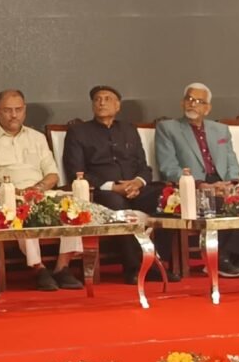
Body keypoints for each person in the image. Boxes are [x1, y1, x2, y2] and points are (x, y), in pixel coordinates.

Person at [63, 85, 180, 284]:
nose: (101, 103)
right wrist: (112, 187)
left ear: (118, 106)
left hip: (135, 189)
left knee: (167, 198)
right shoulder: (78, 132)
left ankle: (157, 261)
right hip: (102, 192)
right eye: (97, 99)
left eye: (107, 99)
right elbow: (76, 172)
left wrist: (137, 183)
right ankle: (133, 268)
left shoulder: (128, 129)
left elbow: (144, 167)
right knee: (118, 206)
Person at [0, 89, 83, 291]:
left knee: (72, 208)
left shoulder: (37, 137)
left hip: (40, 191)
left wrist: (36, 189)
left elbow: (52, 175)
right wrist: (14, 191)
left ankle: (62, 267)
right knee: (21, 209)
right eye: (8, 110)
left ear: (25, 110)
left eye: (18, 110)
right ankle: (38, 268)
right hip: (7, 195)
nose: (13, 115)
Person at [155, 82, 239, 278]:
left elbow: (232, 163)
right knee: (217, 202)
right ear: (182, 103)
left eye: (199, 101)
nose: (193, 104)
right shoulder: (167, 128)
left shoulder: (221, 130)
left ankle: (227, 255)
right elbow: (168, 168)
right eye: (189, 99)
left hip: (222, 182)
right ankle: (236, 257)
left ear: (208, 108)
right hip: (193, 184)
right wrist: (201, 184)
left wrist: (230, 184)